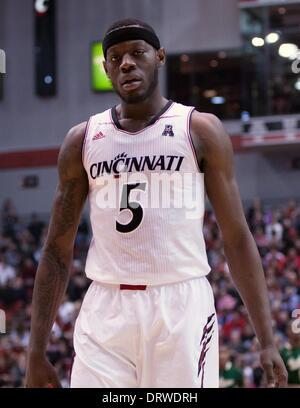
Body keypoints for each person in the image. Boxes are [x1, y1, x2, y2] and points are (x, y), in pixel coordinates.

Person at [25, 18, 287, 388]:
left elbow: (237, 237)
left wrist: (267, 339)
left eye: (137, 53)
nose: (126, 63)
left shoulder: (200, 130)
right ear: (106, 69)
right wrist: (36, 352)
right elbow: (55, 250)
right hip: (106, 308)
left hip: (179, 304)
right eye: (115, 57)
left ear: (160, 57)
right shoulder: (81, 140)